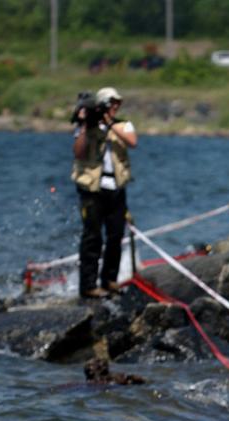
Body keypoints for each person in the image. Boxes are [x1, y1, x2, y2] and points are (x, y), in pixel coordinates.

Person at [71, 86, 138, 299]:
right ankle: (88, 285)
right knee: (92, 237)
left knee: (115, 235)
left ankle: (109, 280)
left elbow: (132, 141)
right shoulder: (89, 127)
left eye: (118, 103)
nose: (116, 106)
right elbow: (79, 153)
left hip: (116, 188)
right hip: (92, 189)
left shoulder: (123, 125)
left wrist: (109, 123)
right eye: (111, 102)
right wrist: (83, 126)